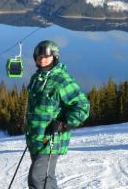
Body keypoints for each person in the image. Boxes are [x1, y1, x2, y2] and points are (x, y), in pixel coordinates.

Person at [25, 40, 90, 189]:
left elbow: (82, 106)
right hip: (36, 139)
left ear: (54, 57)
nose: (42, 59)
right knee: (46, 178)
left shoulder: (62, 80)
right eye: (39, 56)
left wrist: (63, 123)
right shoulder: (37, 78)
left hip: (51, 140)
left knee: (37, 178)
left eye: (46, 56)